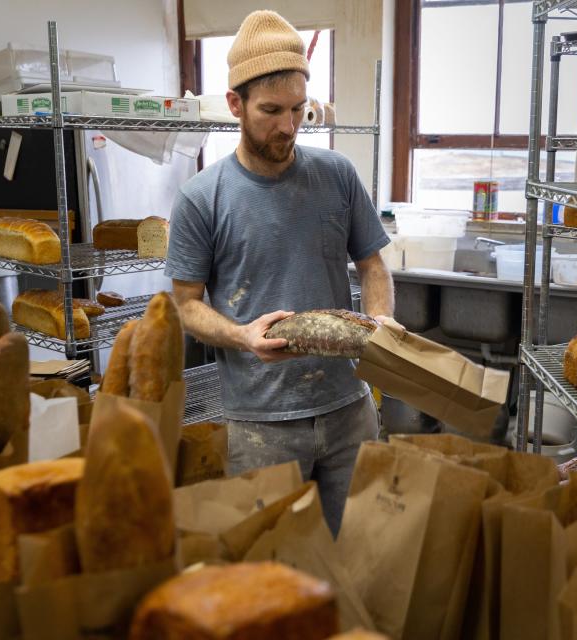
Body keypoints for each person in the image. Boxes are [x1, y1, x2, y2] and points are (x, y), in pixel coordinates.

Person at [165, 10, 394, 535]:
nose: (288, 126)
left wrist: (383, 322)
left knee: (363, 557)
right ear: (235, 105)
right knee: (274, 567)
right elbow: (187, 304)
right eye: (270, 110)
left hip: (349, 409)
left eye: (298, 109)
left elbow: (373, 263)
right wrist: (242, 336)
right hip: (260, 423)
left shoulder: (336, 175)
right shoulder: (203, 199)